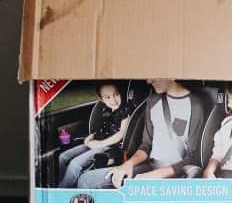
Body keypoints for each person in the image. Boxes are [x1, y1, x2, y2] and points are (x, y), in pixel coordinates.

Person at [77, 79, 210, 189]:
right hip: (150, 167)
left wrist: (154, 175)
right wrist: (127, 165)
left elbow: (194, 157)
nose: (148, 80)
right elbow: (146, 145)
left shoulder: (194, 105)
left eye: (153, 75)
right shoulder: (152, 101)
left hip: (176, 174)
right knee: (86, 180)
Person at [57, 82, 131, 189]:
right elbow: (103, 129)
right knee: (63, 157)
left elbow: (121, 134)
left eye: (116, 94)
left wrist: (99, 144)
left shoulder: (125, 110)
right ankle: (64, 184)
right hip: (99, 140)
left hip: (111, 147)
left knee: (75, 164)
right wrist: (92, 136)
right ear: (101, 100)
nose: (113, 100)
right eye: (108, 97)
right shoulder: (106, 109)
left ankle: (63, 191)